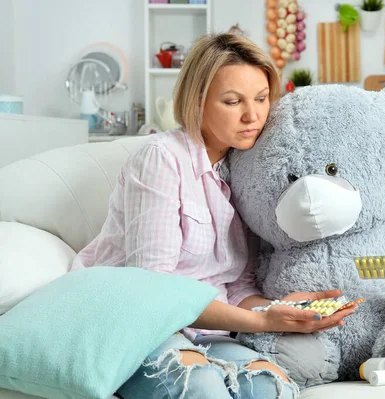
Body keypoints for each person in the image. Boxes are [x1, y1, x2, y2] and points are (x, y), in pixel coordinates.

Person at [71, 33, 355, 399]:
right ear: (198, 101)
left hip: (209, 330)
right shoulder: (162, 159)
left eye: (261, 98)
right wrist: (259, 321)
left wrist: (278, 308)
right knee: (202, 387)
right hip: (139, 324)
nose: (252, 115)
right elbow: (154, 291)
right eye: (232, 101)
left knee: (269, 386)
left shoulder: (248, 168)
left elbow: (235, 283)